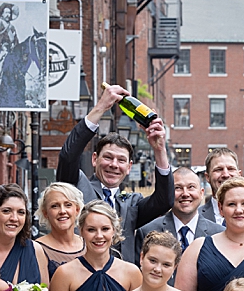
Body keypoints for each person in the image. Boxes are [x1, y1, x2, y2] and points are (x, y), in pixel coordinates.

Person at [55, 82, 173, 263]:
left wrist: (159, 150)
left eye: (121, 160)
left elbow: (164, 200)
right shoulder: (77, 187)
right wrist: (101, 107)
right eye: (108, 158)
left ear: (129, 167)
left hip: (122, 283)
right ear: (95, 159)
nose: (114, 165)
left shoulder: (132, 204)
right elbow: (68, 157)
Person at [134, 167, 222, 260]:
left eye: (191, 187)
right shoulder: (147, 232)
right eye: (178, 188)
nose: (185, 194)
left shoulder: (218, 234)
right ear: (169, 193)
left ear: (201, 193)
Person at [35, 182, 86, 275]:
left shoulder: (88, 244)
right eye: (55, 206)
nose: (62, 211)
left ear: (77, 210)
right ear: (45, 213)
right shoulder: (37, 248)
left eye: (68, 205)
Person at [199, 148, 241, 224]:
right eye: (218, 169)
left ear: (239, 174)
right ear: (207, 177)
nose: (226, 175)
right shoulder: (196, 217)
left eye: (231, 169)